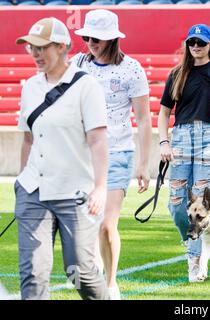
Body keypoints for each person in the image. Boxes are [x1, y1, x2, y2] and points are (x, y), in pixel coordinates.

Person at [15, 17, 109, 300]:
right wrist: (21, 181)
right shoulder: (30, 87)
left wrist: (101, 186)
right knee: (32, 273)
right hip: (33, 190)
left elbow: (98, 140)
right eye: (31, 47)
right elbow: (28, 139)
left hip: (74, 191)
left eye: (42, 48)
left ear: (62, 47)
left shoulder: (86, 86)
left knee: (79, 271)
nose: (35, 54)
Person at [73, 9, 151, 300]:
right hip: (83, 155)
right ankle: (94, 285)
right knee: (88, 223)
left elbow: (143, 119)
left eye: (97, 38)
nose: (90, 42)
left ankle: (111, 281)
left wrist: (143, 164)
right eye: (87, 37)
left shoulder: (132, 69)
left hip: (118, 152)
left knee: (107, 224)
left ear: (112, 39)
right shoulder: (77, 64)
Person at [158, 24, 210, 282]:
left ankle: (195, 263)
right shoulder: (176, 74)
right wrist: (163, 142)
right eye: (192, 42)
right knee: (176, 204)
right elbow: (163, 112)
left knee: (204, 201)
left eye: (201, 42)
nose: (196, 46)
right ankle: (193, 242)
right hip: (181, 137)